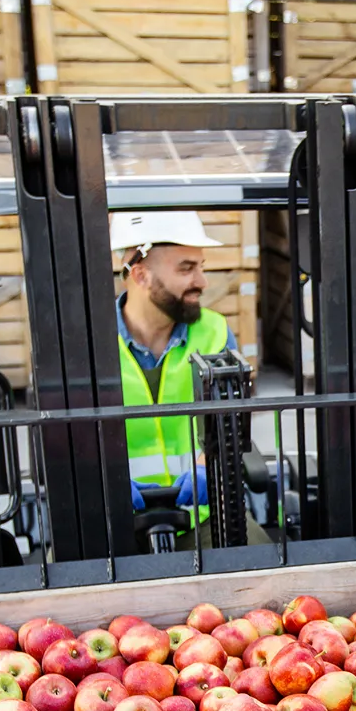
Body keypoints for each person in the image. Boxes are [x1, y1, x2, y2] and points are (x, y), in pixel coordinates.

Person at [110, 210, 235, 518]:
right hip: (112, 520)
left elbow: (229, 424)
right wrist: (103, 481)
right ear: (140, 275)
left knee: (267, 561)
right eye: (186, 269)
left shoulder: (214, 332)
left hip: (202, 515)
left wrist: (208, 469)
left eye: (201, 267)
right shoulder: (86, 343)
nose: (202, 281)